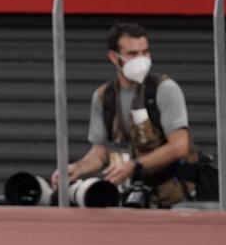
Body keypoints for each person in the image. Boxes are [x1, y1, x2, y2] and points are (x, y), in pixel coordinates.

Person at [51, 22, 191, 208]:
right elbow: (100, 153)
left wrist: (135, 165)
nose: (142, 59)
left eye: (145, 52)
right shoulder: (104, 97)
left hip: (172, 200)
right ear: (113, 57)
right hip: (128, 198)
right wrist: (77, 168)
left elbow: (180, 146)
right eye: (132, 54)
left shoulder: (164, 90)